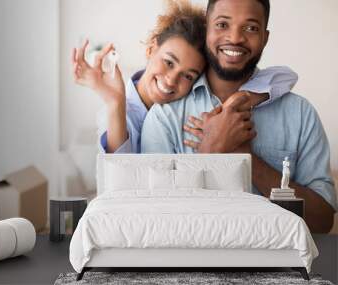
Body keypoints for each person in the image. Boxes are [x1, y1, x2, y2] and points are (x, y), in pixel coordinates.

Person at [141, 0, 336, 233]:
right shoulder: (165, 116)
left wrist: (246, 158)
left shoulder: (301, 114)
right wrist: (210, 152)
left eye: (251, 28)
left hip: (277, 266)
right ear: (207, 29)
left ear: (265, 37)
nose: (235, 38)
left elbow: (323, 221)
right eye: (222, 24)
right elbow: (155, 222)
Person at [72, 0, 297, 154]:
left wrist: (241, 99)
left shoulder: (186, 105)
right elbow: (118, 187)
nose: (171, 80)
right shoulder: (120, 111)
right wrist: (115, 103)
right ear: (151, 49)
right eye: (168, 62)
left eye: (188, 76)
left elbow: (285, 76)